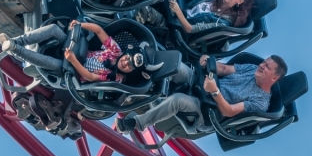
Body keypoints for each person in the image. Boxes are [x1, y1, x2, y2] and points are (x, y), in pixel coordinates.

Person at [114, 55, 288, 134]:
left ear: (274, 77)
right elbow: (225, 69)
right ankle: (128, 75)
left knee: (177, 100)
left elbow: (229, 111)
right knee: (175, 65)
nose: (261, 66)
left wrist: (214, 91)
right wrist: (209, 61)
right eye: (264, 63)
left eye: (267, 67)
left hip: (208, 112)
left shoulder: (261, 102)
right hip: (203, 85)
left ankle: (134, 124)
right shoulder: (251, 69)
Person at [0, 20, 143, 83]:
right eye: (128, 58)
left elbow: (91, 77)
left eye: (130, 66)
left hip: (74, 71)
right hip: (78, 51)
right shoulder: (116, 51)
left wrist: (73, 61)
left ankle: (14, 49)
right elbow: (99, 30)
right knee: (54, 29)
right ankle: (18, 41)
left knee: (52, 63)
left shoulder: (117, 77)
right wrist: (81, 25)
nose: (126, 62)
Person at [139, 0, 254, 33]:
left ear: (240, 1)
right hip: (176, 9)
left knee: (144, 10)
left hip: (176, 26)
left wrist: (178, 12)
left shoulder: (222, 22)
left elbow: (190, 29)